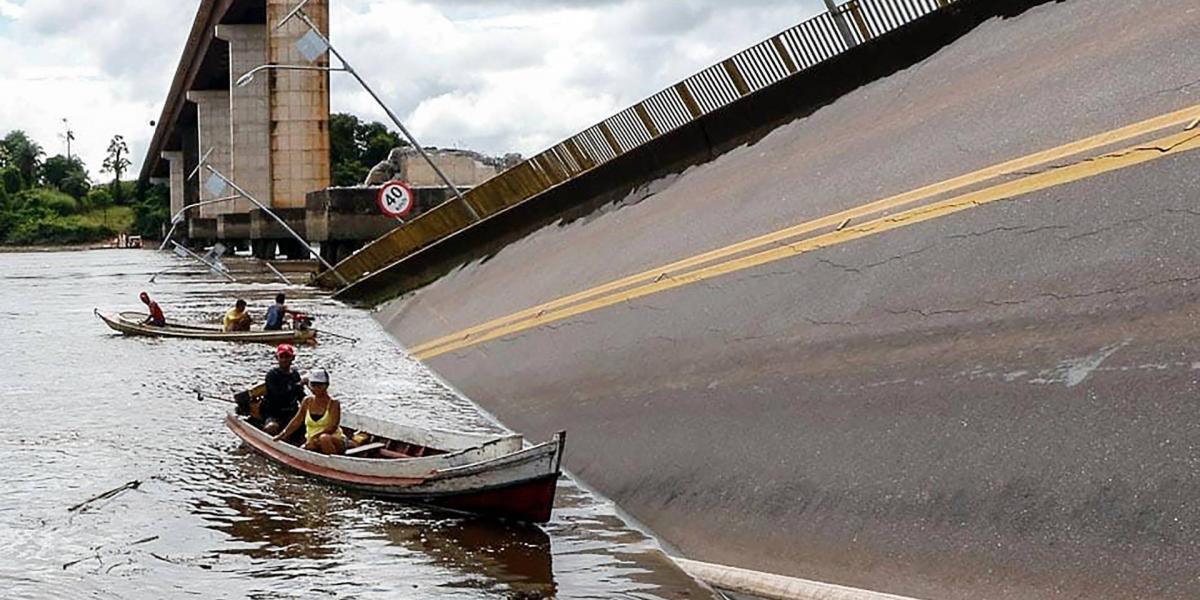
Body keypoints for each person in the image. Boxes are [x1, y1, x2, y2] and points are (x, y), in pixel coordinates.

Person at [273, 369, 344, 455]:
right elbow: (297, 421)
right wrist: (282, 435)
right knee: (306, 447)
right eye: (313, 385)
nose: (316, 388)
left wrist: (314, 437)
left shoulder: (334, 403)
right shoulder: (307, 401)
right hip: (313, 442)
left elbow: (332, 427)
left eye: (320, 385)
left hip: (333, 440)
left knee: (324, 438)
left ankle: (335, 462)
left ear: (326, 385)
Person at [261, 344, 305, 436]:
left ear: (293, 358)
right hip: (273, 413)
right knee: (272, 427)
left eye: (287, 356)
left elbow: (301, 395)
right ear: (277, 358)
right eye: (282, 356)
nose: (284, 359)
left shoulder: (295, 374)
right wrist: (298, 385)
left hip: (291, 412)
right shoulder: (272, 375)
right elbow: (278, 394)